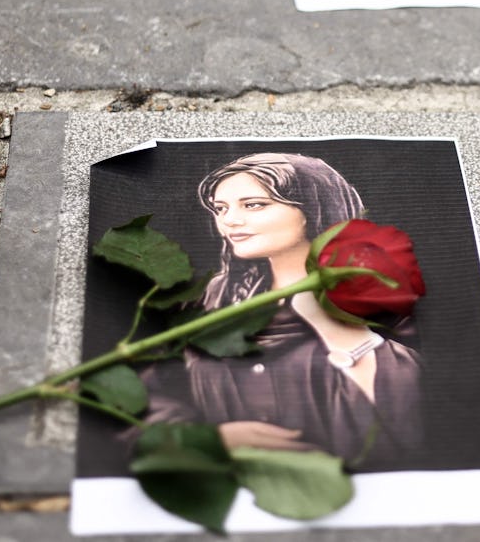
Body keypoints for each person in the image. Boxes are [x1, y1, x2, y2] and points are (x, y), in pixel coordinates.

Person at [139, 152, 423, 470]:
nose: (229, 220)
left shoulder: (373, 297)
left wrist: (334, 328)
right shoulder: (212, 299)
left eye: (253, 205)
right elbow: (149, 392)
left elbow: (410, 415)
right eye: (221, 208)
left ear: (311, 210)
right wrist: (207, 439)